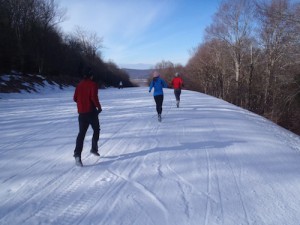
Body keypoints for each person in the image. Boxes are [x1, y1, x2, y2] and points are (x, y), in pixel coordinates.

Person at [73, 69, 102, 167]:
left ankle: (77, 155)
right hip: (91, 112)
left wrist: (82, 103)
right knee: (96, 130)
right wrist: (99, 107)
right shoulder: (93, 84)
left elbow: (75, 98)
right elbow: (94, 97)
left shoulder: (79, 84)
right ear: (91, 76)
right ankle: (94, 149)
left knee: (81, 134)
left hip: (81, 113)